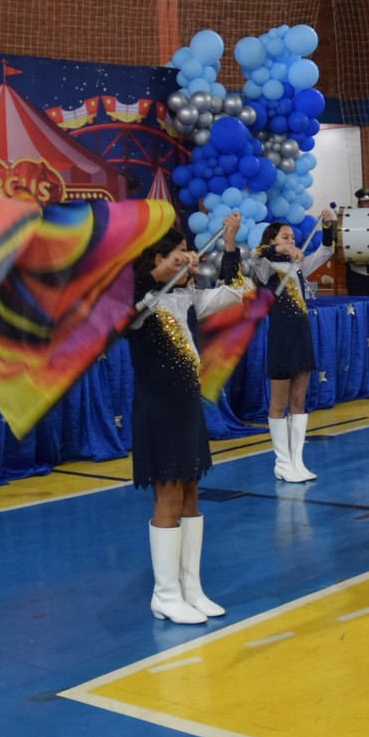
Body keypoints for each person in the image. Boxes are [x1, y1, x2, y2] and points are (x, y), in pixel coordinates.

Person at [127, 217, 248, 624]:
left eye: (187, 252)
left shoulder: (186, 298)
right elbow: (141, 290)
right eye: (178, 253)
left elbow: (236, 292)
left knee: (191, 492)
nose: (187, 258)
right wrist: (175, 271)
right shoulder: (140, 302)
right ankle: (164, 594)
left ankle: (190, 587)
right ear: (159, 259)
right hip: (158, 408)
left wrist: (228, 245)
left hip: (186, 407)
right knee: (168, 496)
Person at [250, 218, 333, 482]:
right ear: (272, 241)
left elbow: (326, 251)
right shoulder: (267, 268)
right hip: (281, 337)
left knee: (299, 401)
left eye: (292, 239)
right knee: (278, 403)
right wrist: (282, 250)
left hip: (302, 335)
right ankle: (282, 462)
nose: (291, 242)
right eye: (285, 237)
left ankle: (297, 461)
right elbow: (254, 255)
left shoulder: (298, 266)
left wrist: (329, 227)